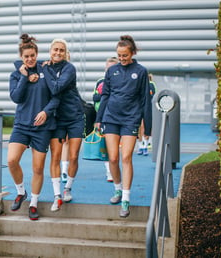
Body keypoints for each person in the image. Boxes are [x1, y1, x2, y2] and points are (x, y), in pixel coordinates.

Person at [95, 35, 152, 218]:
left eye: (125, 55)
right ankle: (118, 189)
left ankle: (126, 199)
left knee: (126, 157)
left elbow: (145, 100)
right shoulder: (112, 71)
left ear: (132, 53)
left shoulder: (141, 71)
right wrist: (99, 119)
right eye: (119, 55)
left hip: (131, 119)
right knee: (113, 158)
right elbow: (105, 96)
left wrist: (148, 127)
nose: (121, 58)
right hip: (111, 118)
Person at [7, 33, 60, 220]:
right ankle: (21, 192)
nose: (30, 59)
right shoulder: (16, 74)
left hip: (43, 128)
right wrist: (23, 77)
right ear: (21, 58)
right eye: (26, 56)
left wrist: (46, 112)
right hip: (22, 125)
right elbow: (16, 97)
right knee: (12, 161)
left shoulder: (47, 70)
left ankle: (34, 203)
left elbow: (56, 96)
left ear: (37, 54)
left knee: (38, 168)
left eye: (32, 55)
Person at [42, 38, 85, 212]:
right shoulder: (44, 65)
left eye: (61, 50)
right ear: (50, 51)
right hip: (56, 119)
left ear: (65, 53)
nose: (58, 53)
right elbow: (20, 62)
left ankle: (68, 188)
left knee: (73, 156)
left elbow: (56, 88)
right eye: (55, 50)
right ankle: (57, 195)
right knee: (55, 157)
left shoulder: (69, 68)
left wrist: (44, 69)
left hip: (74, 116)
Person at [93, 56, 119, 182]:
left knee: (119, 150)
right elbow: (95, 97)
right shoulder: (100, 82)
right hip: (104, 116)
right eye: (107, 68)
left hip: (119, 118)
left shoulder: (121, 81)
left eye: (112, 68)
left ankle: (117, 172)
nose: (109, 70)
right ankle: (109, 171)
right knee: (107, 146)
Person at [136, 73, 156, 156]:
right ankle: (140, 145)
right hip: (138, 107)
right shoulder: (137, 84)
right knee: (139, 127)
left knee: (146, 126)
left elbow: (153, 95)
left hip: (148, 108)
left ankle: (146, 145)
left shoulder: (151, 85)